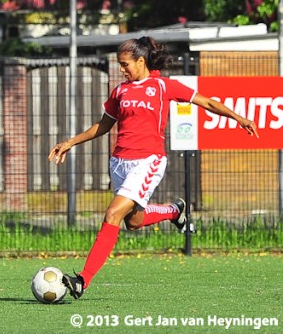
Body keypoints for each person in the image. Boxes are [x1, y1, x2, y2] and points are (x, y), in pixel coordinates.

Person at [48, 36, 259, 300]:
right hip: (119, 162)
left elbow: (207, 102)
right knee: (133, 222)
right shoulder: (120, 91)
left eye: (125, 64)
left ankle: (82, 279)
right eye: (119, 65)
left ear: (140, 61)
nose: (122, 70)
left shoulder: (163, 86)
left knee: (112, 214)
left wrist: (238, 117)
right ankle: (173, 212)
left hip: (148, 160)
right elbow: (103, 126)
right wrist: (70, 142)